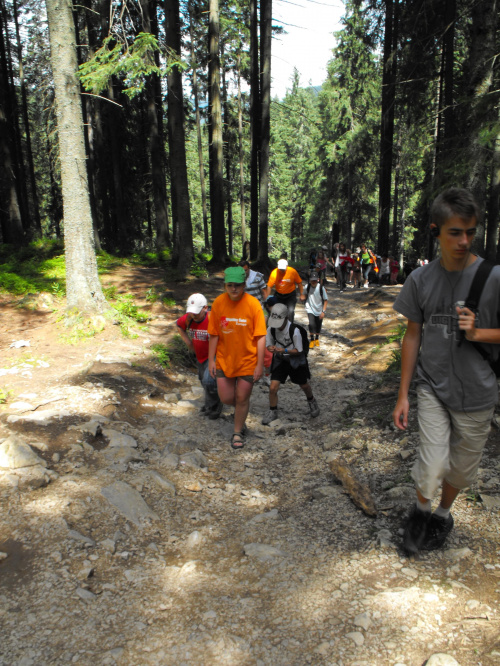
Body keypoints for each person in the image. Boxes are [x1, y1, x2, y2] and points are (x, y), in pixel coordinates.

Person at [392, 187, 500, 555]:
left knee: (461, 471)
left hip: (479, 393)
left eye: (471, 232)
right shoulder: (420, 280)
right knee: (433, 462)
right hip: (432, 387)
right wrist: (404, 393)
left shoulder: (493, 277)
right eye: (455, 232)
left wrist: (479, 332)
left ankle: (442, 515)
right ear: (436, 231)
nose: (464, 241)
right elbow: (412, 336)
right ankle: (420, 515)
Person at [208, 266, 266, 449]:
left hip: (248, 360)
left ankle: (237, 432)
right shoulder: (218, 303)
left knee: (242, 398)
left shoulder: (253, 304)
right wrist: (211, 359)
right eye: (230, 285)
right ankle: (242, 411)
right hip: (225, 359)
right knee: (226, 397)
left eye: (238, 285)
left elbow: (261, 336)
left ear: (244, 285)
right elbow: (214, 334)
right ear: (225, 285)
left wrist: (260, 364)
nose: (234, 289)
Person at [262, 303, 320, 425]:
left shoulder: (295, 331)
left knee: (304, 385)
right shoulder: (271, 329)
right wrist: (271, 348)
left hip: (295, 359)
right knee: (273, 387)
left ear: (286, 319)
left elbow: (299, 350)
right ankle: (273, 410)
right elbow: (268, 344)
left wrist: (284, 350)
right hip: (280, 360)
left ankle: (312, 401)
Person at [176, 294, 223, 419]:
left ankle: (215, 406)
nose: (193, 315)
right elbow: (179, 326)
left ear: (205, 308)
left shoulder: (213, 318)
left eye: (196, 312)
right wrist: (188, 342)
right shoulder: (188, 318)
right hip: (200, 355)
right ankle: (210, 403)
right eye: (191, 312)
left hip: (215, 355)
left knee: (209, 381)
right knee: (203, 380)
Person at [266, 258, 305, 323]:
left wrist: (302, 294)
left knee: (290, 312)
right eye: (280, 269)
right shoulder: (274, 273)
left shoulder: (292, 271)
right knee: (278, 312)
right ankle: (279, 327)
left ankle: (290, 327)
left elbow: (299, 283)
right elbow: (269, 286)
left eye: (283, 269)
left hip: (290, 295)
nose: (282, 271)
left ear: (287, 266)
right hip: (279, 295)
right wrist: (267, 297)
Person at [304, 271, 328, 348]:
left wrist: (323, 311)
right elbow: (304, 295)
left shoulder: (321, 288)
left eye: (315, 280)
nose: (313, 282)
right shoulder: (307, 287)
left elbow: (325, 300)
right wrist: (302, 298)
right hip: (310, 308)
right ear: (309, 280)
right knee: (311, 324)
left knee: (318, 324)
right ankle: (312, 339)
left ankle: (317, 338)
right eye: (312, 280)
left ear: (317, 280)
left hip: (319, 309)